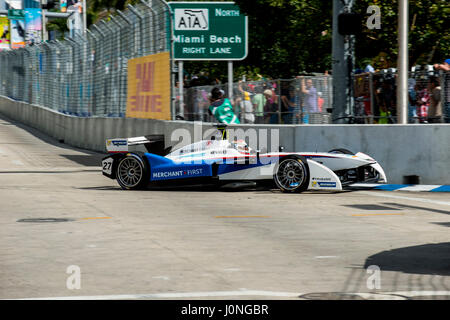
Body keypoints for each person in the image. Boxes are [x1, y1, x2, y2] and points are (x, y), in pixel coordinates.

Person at [434, 59, 450, 123]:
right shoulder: (445, 73)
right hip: (446, 101)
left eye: (445, 63)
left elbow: (442, 67)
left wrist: (439, 65)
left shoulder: (448, 70)